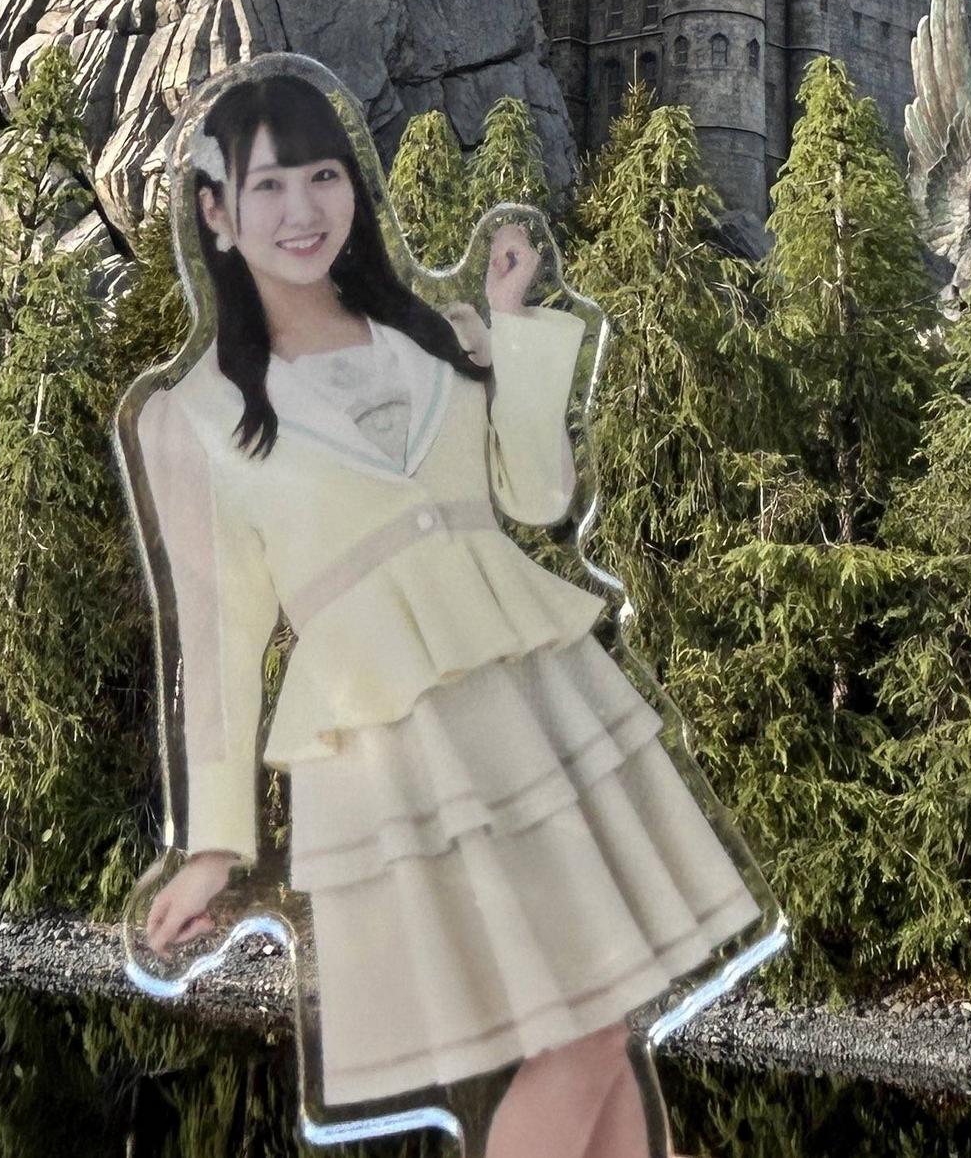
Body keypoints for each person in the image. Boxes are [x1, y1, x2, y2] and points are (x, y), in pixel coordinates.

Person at [126, 62, 764, 1156]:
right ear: (218, 214)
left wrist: (510, 326)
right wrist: (215, 846)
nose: (304, 209)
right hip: (391, 752)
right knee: (581, 1034)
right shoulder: (193, 416)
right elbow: (221, 638)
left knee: (604, 1029)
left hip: (530, 704)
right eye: (270, 185)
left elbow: (538, 496)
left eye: (324, 176)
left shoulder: (438, 332)